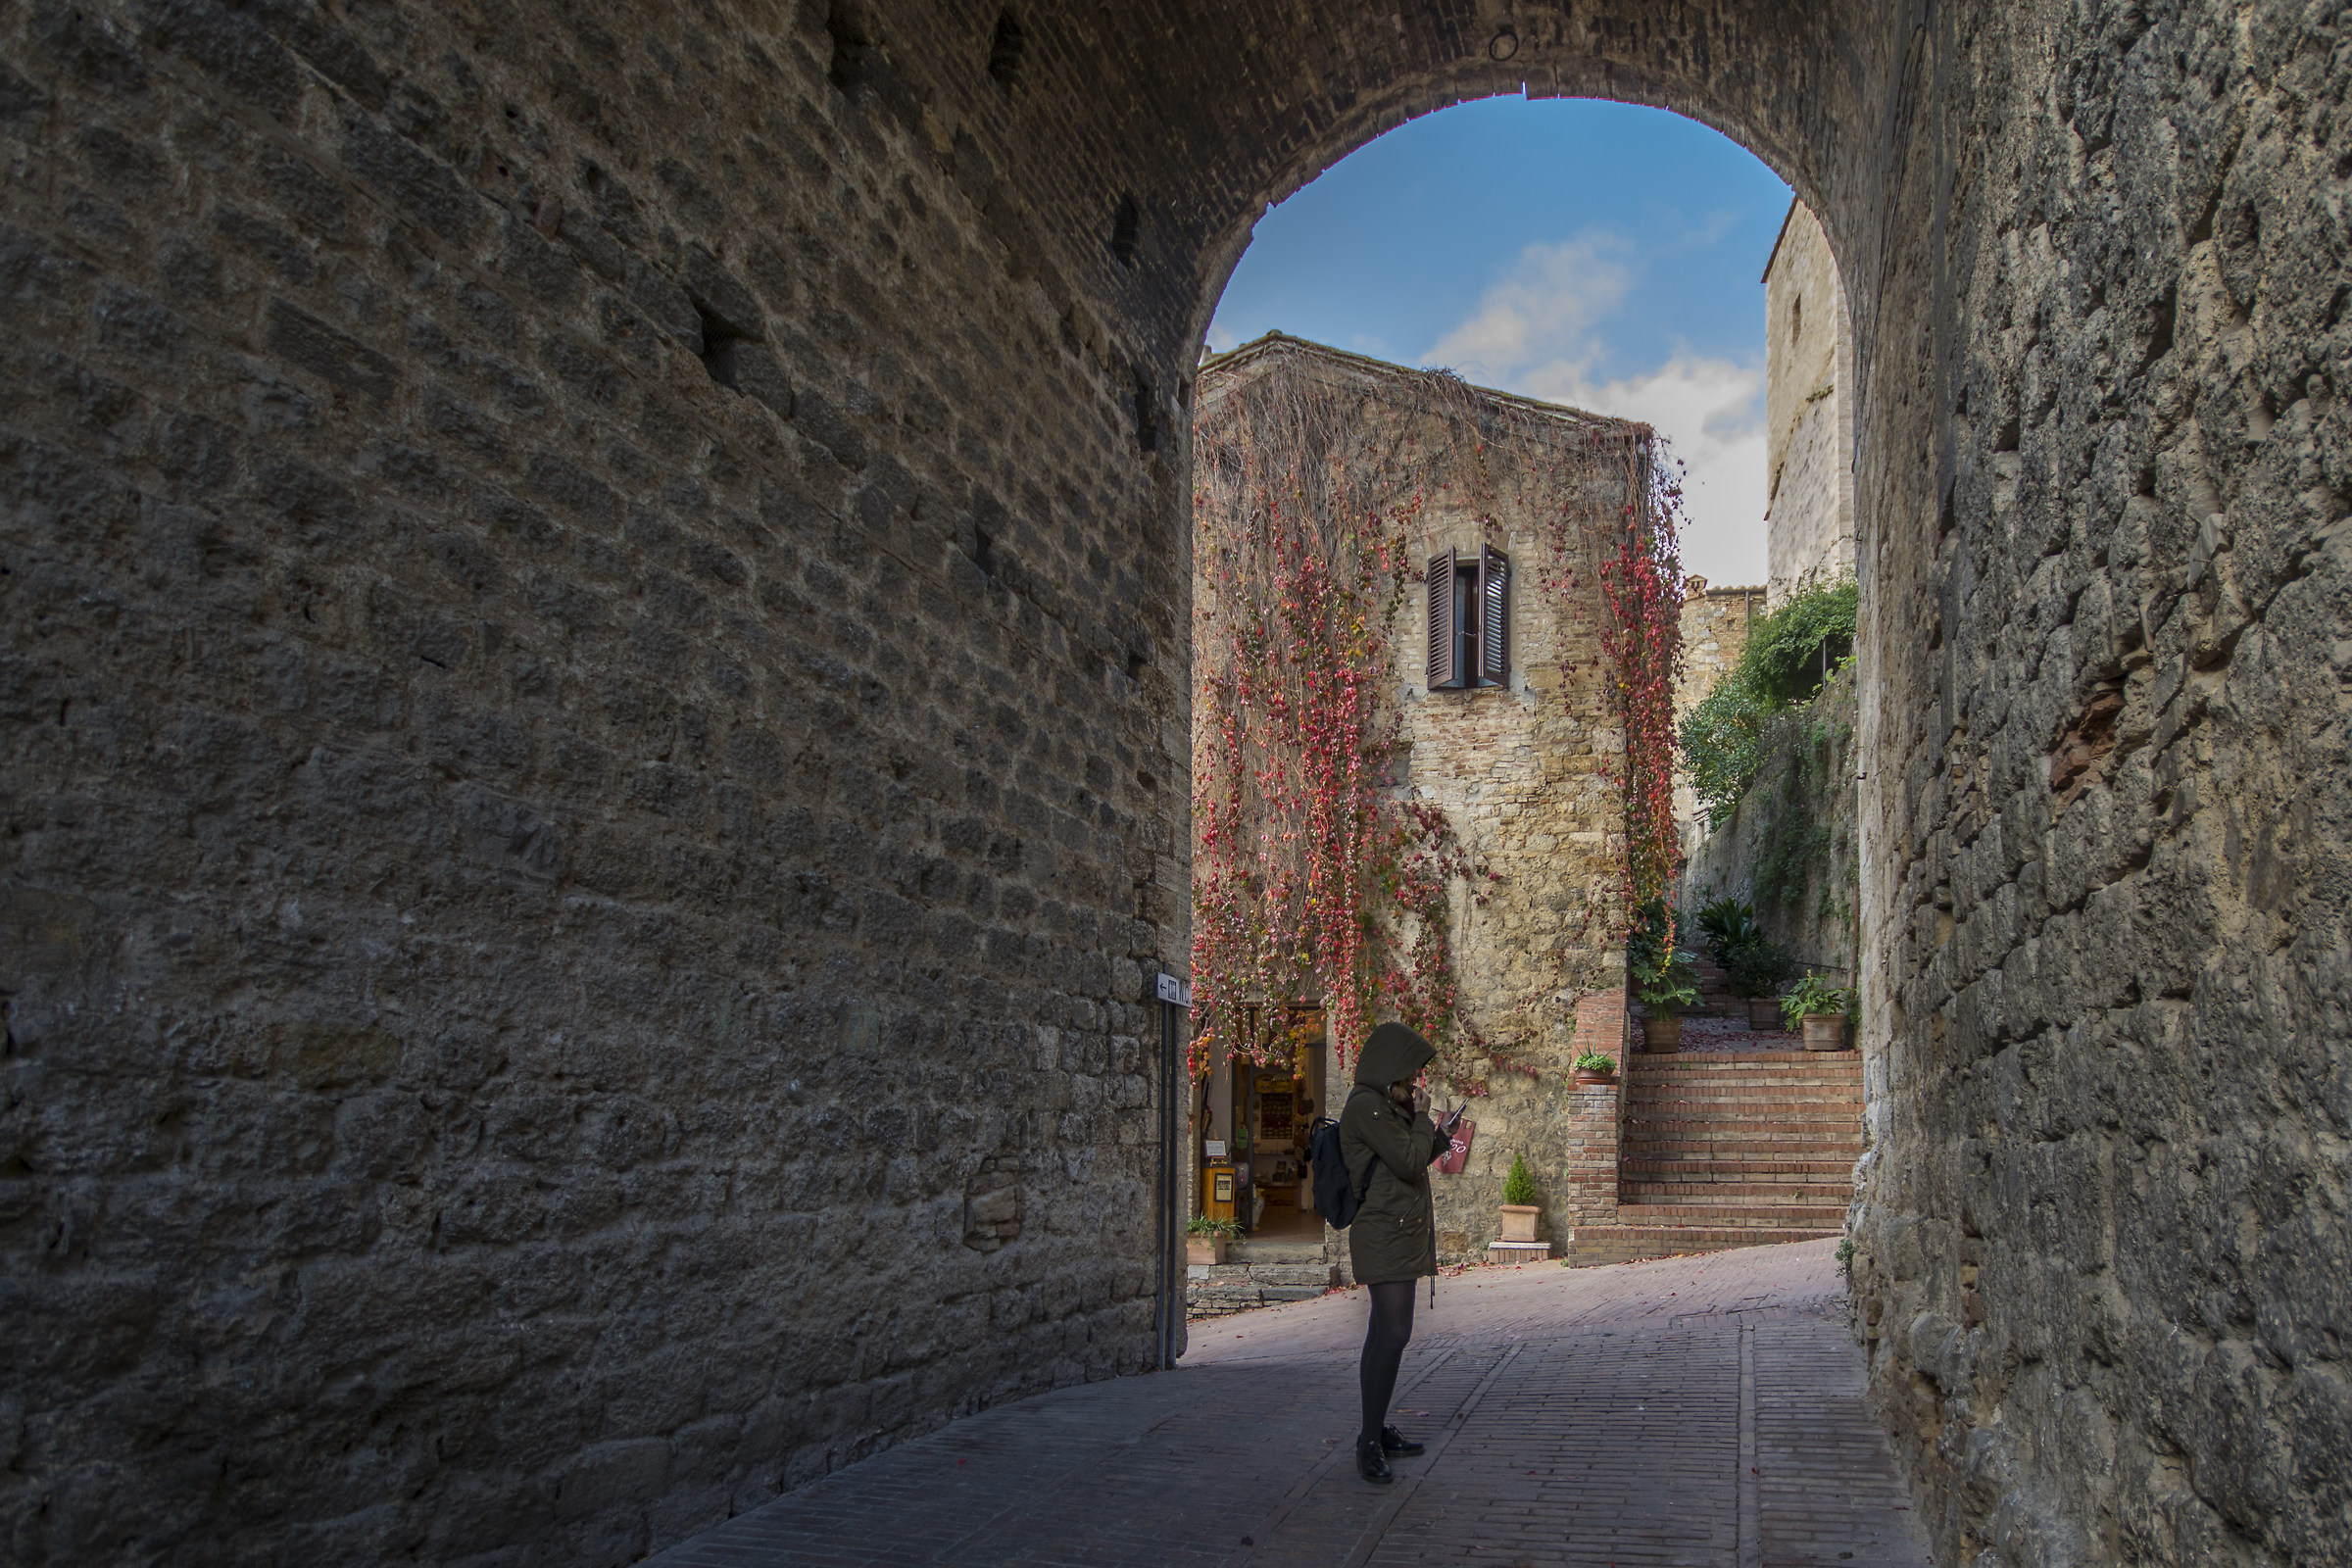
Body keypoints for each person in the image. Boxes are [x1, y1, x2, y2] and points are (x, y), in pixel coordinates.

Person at [1339, 1021, 1461, 1485]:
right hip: (1382, 1235)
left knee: (1383, 1336)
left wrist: (1437, 1134)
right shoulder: (1367, 1108)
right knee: (1393, 1335)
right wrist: (1423, 1118)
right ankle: (1368, 1443)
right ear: (1388, 1068)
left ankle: (1376, 1429)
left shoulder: (1385, 1107)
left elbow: (1407, 1162)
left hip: (1396, 1231)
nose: (1414, 1084)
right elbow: (1408, 1163)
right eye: (1409, 1077)